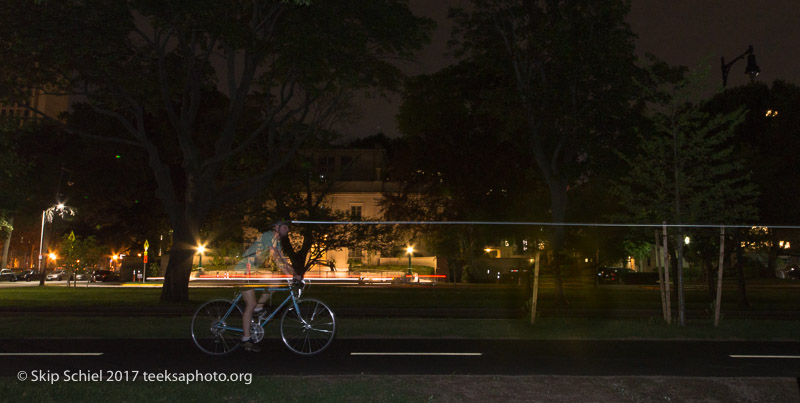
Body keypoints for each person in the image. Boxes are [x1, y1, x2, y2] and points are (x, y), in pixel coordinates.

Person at [240, 221, 301, 352]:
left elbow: (283, 260)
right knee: (250, 303)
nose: (288, 229)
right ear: (276, 227)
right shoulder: (268, 236)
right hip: (245, 269)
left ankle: (259, 307)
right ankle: (246, 338)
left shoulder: (277, 242)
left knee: (276, 282)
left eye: (288, 227)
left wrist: (295, 274)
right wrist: (288, 276)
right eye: (285, 227)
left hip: (254, 270)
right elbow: (275, 258)